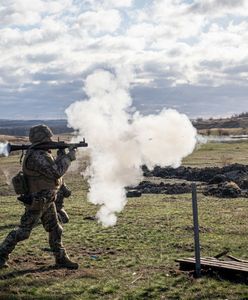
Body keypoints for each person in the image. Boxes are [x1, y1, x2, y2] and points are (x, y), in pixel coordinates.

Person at [0, 124, 78, 269]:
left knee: (56, 230)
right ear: (41, 139)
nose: (50, 140)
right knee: (23, 232)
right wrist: (68, 158)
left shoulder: (42, 153)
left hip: (47, 200)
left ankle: (61, 259)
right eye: (48, 138)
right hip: (38, 201)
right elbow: (55, 172)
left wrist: (61, 155)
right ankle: (1, 255)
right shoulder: (36, 156)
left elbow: (52, 170)